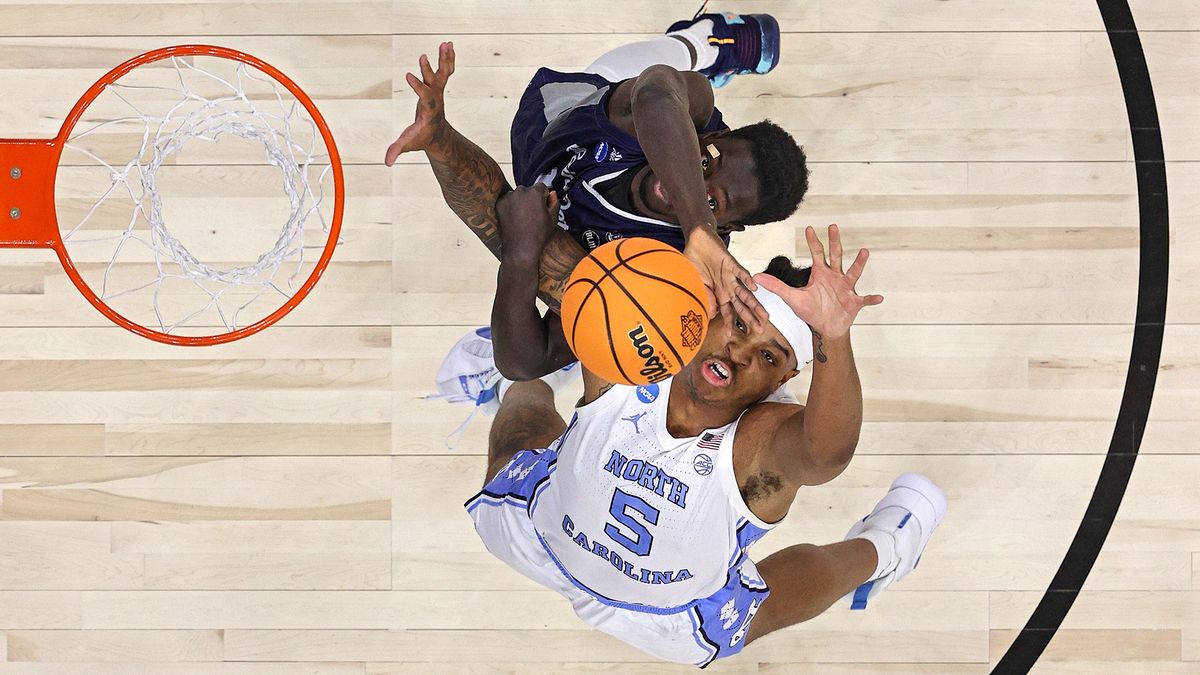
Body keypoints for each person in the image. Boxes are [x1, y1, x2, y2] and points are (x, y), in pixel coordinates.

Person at [461, 184, 947, 666]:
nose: (740, 352)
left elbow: (825, 455)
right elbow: (508, 220)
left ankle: (887, 548)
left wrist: (834, 338)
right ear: (712, 311)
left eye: (767, 355)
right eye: (739, 325)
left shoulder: (760, 444)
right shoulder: (640, 331)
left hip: (672, 618)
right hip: (539, 538)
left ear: (785, 378)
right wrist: (439, 138)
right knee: (520, 426)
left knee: (765, 610)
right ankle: (517, 376)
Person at [387, 8, 809, 338]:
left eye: (715, 201)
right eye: (704, 163)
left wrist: (438, 137)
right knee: (656, 69)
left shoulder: (664, 267)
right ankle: (702, 42)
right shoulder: (678, 111)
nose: (696, 186)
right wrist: (699, 221)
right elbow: (658, 93)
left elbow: (526, 362)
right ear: (707, 132)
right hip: (582, 103)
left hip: (537, 167)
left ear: (729, 226)